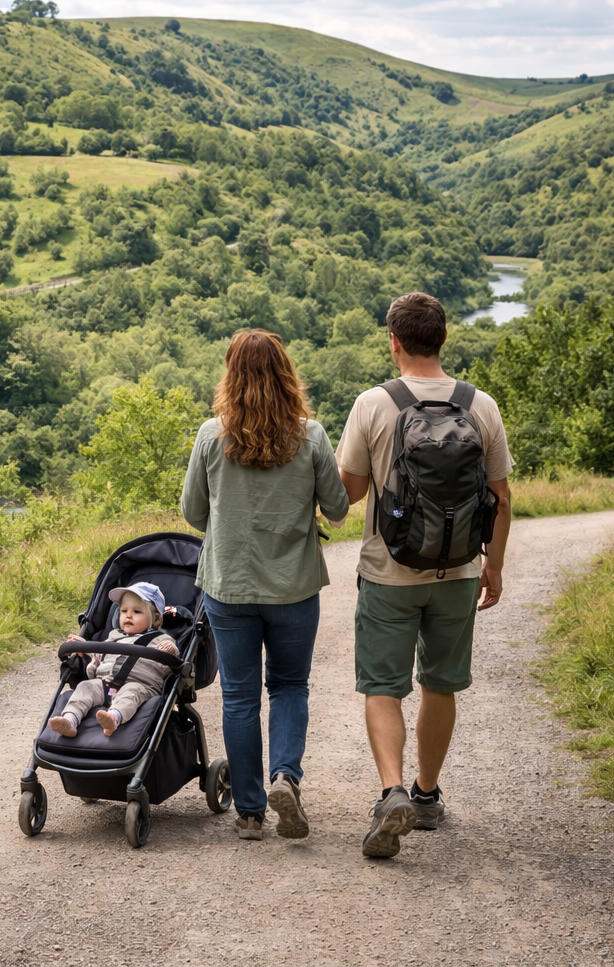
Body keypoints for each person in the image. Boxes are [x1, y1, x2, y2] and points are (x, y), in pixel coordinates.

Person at [336, 291, 513, 858]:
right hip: (458, 569)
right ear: (442, 339)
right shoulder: (479, 404)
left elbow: (351, 491)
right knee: (440, 682)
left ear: (394, 341)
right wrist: (494, 563)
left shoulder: (374, 404)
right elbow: (501, 496)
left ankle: (391, 792)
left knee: (383, 687)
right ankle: (428, 794)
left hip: (388, 572)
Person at [180, 329, 349, 842]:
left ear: (230, 376)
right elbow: (339, 510)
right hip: (294, 586)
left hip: (229, 586)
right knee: (290, 685)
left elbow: (192, 513)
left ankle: (251, 812)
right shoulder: (311, 436)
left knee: (238, 697)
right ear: (286, 373)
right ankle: (285, 778)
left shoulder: (212, 435)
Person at [49, 582, 180, 738]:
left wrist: (171, 650)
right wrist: (85, 649)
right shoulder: (113, 637)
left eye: (137, 611)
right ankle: (70, 719)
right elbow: (97, 662)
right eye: (124, 611)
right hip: (106, 685)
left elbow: (172, 662)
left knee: (130, 692)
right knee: (85, 686)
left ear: (156, 618)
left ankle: (113, 718)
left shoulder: (161, 639)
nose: (128, 616)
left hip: (141, 686)